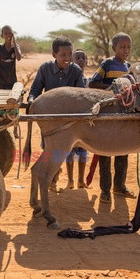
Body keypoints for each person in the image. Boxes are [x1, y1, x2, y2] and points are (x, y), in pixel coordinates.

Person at [28, 37, 85, 193]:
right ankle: (52, 178)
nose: (67, 58)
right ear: (54, 55)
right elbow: (35, 90)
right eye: (63, 55)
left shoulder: (76, 71)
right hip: (50, 118)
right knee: (48, 148)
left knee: (66, 149)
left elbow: (81, 94)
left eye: (69, 54)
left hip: (68, 121)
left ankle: (54, 175)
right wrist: (32, 101)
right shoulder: (45, 68)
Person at [89, 32, 136, 203]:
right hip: (108, 116)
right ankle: (105, 190)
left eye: (128, 47)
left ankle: (120, 186)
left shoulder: (129, 67)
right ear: (114, 48)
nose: (126, 50)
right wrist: (114, 88)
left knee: (123, 152)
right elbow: (93, 83)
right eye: (122, 47)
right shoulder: (108, 64)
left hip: (124, 117)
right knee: (105, 153)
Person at [65, 49, 89, 189]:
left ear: (86, 61)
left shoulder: (88, 81)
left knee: (83, 152)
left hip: (85, 121)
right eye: (77, 58)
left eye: (83, 58)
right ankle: (70, 180)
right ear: (72, 61)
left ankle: (81, 180)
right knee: (69, 151)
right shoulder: (69, 80)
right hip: (71, 120)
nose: (80, 60)